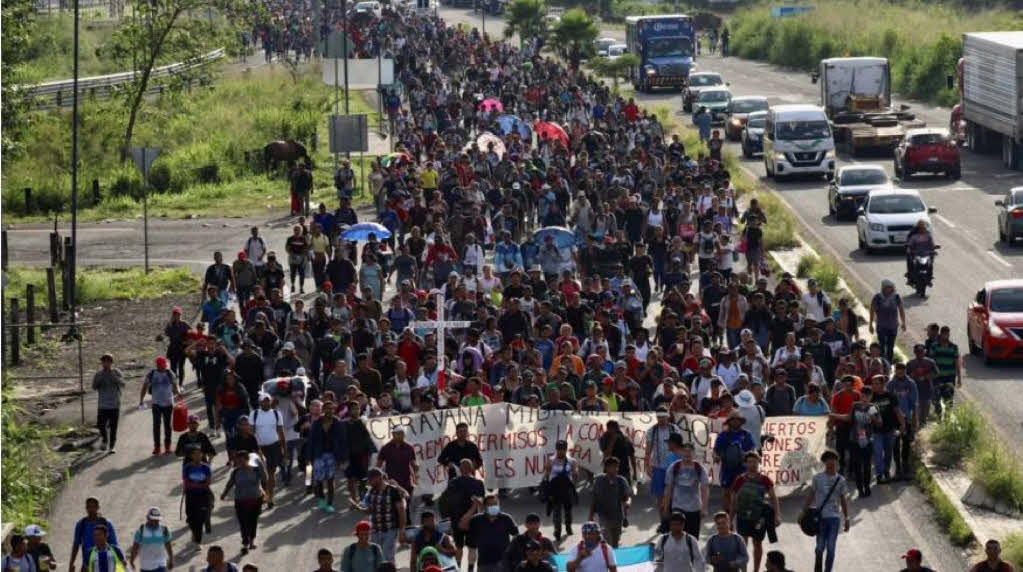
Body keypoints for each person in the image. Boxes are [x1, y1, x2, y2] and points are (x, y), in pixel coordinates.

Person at [729, 452, 780, 572]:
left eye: (755, 462)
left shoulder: (765, 480)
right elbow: (733, 501)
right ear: (745, 464)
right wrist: (730, 519)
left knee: (757, 544)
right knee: (742, 545)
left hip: (759, 518)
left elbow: (773, 498)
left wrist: (777, 515)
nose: (752, 464)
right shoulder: (740, 480)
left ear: (759, 462)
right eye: (750, 462)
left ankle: (756, 570)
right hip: (742, 517)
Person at [799, 450, 849, 572]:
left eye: (833, 460)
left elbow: (843, 499)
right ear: (824, 462)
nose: (831, 462)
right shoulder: (817, 478)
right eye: (828, 460)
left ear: (837, 462)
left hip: (834, 519)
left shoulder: (841, 480)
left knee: (831, 549)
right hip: (820, 518)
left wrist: (846, 518)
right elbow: (811, 495)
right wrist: (803, 511)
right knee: (820, 548)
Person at [348, 467, 407, 562]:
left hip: (390, 530)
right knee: (375, 557)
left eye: (371, 480)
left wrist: (402, 530)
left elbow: (401, 511)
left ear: (379, 478)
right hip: (376, 530)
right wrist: (358, 508)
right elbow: (370, 510)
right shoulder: (371, 491)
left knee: (387, 556)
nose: (369, 482)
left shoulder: (393, 491)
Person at [221, 449, 268, 554]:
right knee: (243, 523)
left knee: (253, 521)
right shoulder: (236, 472)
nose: (239, 463)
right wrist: (224, 494)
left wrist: (265, 494)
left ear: (247, 460)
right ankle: (245, 543)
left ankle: (252, 541)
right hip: (240, 501)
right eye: (238, 461)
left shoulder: (256, 470)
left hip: (255, 499)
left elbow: (265, 479)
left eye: (242, 461)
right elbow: (230, 483)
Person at [662, 440, 710, 539]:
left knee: (692, 538)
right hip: (677, 507)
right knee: (676, 537)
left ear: (694, 453)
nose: (687, 453)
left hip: (694, 509)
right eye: (685, 451)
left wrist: (704, 508)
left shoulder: (699, 468)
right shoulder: (674, 467)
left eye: (690, 451)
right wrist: (666, 508)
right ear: (681, 452)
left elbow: (704, 489)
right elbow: (668, 489)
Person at [712, 411, 756, 513]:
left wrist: (747, 454)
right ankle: (726, 513)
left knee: (742, 491)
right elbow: (715, 450)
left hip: (743, 468)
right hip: (727, 467)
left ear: (741, 421)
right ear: (729, 421)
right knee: (726, 492)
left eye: (738, 420)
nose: (735, 422)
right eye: (733, 420)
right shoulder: (724, 435)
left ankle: (742, 512)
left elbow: (752, 449)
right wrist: (716, 457)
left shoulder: (746, 434)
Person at [309, 399, 348, 512]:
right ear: (323, 409)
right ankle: (322, 502)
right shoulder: (317, 423)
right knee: (319, 480)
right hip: (319, 455)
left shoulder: (337, 422)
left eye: (331, 408)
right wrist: (309, 457)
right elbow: (311, 440)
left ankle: (330, 503)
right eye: (327, 408)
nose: (329, 410)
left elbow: (343, 440)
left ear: (334, 410)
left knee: (330, 480)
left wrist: (343, 457)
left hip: (332, 455)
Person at [463, 493, 519, 572]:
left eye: (495, 504)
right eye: (490, 505)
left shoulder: (506, 518)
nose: (494, 506)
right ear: (484, 506)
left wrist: (511, 551)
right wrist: (473, 508)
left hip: (503, 562)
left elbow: (516, 535)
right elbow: (463, 527)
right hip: (484, 562)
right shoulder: (477, 519)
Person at [139, 356, 182, 455]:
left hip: (168, 403)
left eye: (164, 366)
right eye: (161, 366)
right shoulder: (151, 374)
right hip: (156, 403)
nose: (163, 368)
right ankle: (157, 447)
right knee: (156, 426)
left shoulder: (169, 373)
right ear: (157, 365)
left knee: (167, 426)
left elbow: (175, 384)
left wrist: (179, 393)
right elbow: (144, 386)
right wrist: (141, 399)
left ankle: (167, 446)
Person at [252, 391, 287, 508]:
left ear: (270, 401)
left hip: (274, 447)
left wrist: (284, 450)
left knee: (271, 473)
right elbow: (251, 433)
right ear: (260, 402)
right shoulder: (254, 414)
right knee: (260, 474)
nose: (266, 403)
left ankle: (270, 497)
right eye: (264, 401)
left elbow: (281, 432)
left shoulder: (277, 414)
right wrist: (253, 449)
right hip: (259, 448)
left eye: (268, 401)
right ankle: (264, 494)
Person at [588, 456, 631, 548]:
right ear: (606, 468)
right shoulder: (599, 481)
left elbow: (627, 497)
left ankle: (612, 556)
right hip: (604, 516)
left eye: (616, 467)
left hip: (618, 517)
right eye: (612, 467)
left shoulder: (621, 481)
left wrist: (627, 504)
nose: (615, 469)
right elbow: (594, 498)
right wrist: (591, 516)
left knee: (615, 543)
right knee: (607, 542)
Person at [543, 439, 579, 541]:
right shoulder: (551, 460)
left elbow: (575, 473)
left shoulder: (572, 461)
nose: (560, 451)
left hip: (567, 488)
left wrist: (574, 479)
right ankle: (557, 530)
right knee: (556, 511)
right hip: (555, 489)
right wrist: (547, 488)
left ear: (566, 449)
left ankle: (568, 526)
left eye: (562, 449)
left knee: (568, 510)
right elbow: (546, 475)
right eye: (559, 449)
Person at [69, 497, 118, 571]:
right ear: (86, 508)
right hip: (87, 563)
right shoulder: (81, 524)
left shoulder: (106, 523)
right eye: (89, 507)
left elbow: (114, 544)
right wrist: (71, 563)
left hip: (105, 562)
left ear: (98, 507)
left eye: (93, 507)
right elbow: (76, 545)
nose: (91, 509)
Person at [92, 353, 125, 454]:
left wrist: (113, 376)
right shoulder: (98, 374)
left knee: (113, 427)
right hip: (102, 404)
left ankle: (112, 446)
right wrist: (101, 377)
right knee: (100, 425)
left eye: (108, 361)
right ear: (102, 363)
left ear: (111, 362)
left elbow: (123, 384)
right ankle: (105, 440)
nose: (105, 363)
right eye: (104, 361)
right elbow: (94, 387)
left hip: (114, 404)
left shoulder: (116, 372)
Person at [182, 445, 214, 543]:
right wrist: (198, 485)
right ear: (191, 456)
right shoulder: (187, 467)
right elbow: (186, 482)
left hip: (203, 495)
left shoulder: (206, 467)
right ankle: (194, 532)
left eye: (199, 454)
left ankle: (197, 540)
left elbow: (208, 482)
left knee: (201, 517)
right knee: (190, 517)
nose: (198, 456)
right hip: (191, 495)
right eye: (195, 454)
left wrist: (195, 485)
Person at [869, 279, 906, 364]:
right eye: (887, 287)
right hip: (881, 326)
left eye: (890, 287)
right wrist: (870, 324)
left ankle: (888, 363)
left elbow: (901, 310)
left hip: (893, 326)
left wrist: (903, 322)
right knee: (882, 346)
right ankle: (882, 363)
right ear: (883, 288)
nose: (889, 289)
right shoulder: (878, 297)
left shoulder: (896, 297)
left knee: (890, 346)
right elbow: (872, 310)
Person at [128, 507, 174, 572]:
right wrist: (132, 561)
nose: (154, 522)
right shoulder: (141, 531)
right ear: (147, 518)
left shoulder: (164, 530)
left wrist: (171, 559)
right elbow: (135, 547)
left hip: (161, 564)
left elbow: (168, 546)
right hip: (146, 566)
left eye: (156, 520)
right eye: (152, 520)